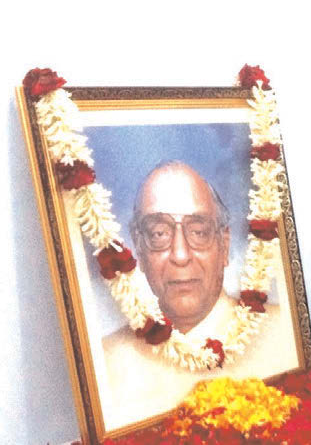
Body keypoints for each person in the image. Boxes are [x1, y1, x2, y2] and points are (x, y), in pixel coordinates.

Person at [101, 161, 299, 428]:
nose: (180, 255)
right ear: (138, 248)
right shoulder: (107, 362)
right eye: (159, 234)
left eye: (199, 232)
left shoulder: (286, 333)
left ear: (224, 245)